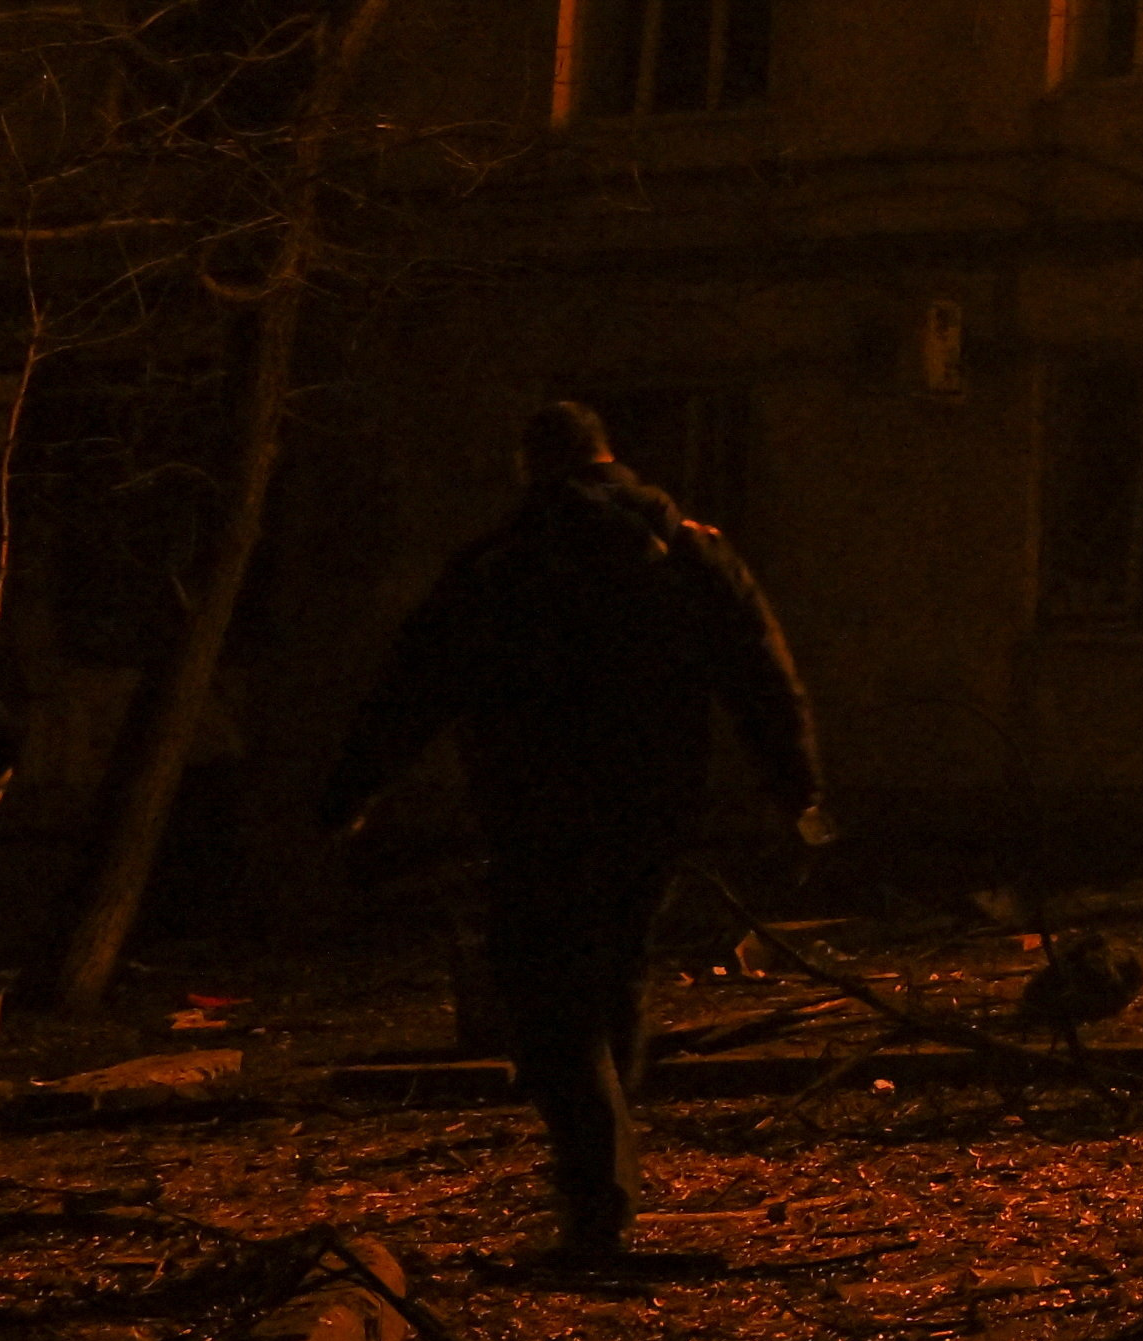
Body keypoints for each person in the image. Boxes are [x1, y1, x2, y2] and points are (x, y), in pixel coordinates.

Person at [323, 403, 827, 1268]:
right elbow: (762, 672)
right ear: (608, 454)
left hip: (534, 807)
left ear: (531, 465)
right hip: (653, 804)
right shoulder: (690, 547)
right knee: (615, 973)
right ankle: (603, 1193)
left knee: (547, 1001)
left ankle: (597, 1204)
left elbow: (416, 678)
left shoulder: (498, 564)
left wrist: (353, 789)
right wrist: (799, 792)